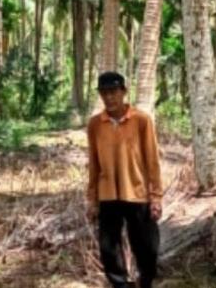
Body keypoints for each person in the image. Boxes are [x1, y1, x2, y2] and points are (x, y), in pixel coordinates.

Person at [86, 71, 163, 288]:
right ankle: (121, 284)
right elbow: (93, 163)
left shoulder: (141, 120)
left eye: (113, 92)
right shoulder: (95, 124)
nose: (109, 98)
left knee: (147, 246)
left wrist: (156, 196)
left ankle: (145, 282)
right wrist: (92, 199)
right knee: (109, 248)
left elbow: (153, 161)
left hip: (137, 193)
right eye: (104, 93)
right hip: (107, 193)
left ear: (123, 92)